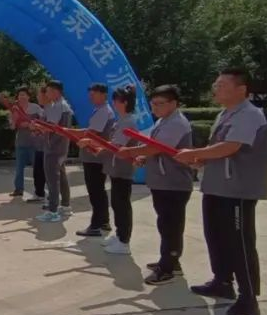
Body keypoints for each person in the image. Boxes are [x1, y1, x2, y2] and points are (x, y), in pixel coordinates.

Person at [175, 67, 267, 315]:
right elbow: (217, 150)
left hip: (237, 189)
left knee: (240, 243)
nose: (216, 89)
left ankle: (248, 298)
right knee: (216, 236)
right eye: (215, 84)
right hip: (216, 186)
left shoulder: (249, 114)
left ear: (242, 89)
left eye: (222, 85)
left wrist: (195, 153)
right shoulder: (225, 114)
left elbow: (230, 147)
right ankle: (222, 281)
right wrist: (202, 160)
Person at [126, 85, 194, 285]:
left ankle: (167, 268)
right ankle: (170, 261)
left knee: (171, 225)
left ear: (174, 103)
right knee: (165, 224)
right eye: (153, 104)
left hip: (173, 182)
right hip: (162, 181)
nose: (155, 108)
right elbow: (154, 148)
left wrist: (131, 152)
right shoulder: (163, 121)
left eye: (159, 104)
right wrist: (143, 157)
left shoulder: (177, 123)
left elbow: (156, 148)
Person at [81, 86, 137, 254]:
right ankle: (119, 235)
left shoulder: (128, 121)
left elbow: (116, 145)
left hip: (122, 168)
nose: (114, 103)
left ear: (124, 102)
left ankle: (124, 241)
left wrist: (92, 143)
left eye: (116, 100)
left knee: (121, 204)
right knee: (117, 203)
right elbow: (112, 144)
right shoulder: (122, 120)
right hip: (115, 167)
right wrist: (99, 148)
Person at [77, 83, 114, 237]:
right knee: (98, 190)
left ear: (104, 95)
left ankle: (96, 225)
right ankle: (104, 221)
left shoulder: (103, 111)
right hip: (94, 156)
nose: (90, 97)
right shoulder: (100, 110)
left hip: (95, 157)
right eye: (90, 94)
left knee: (95, 191)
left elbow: (91, 133)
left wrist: (70, 132)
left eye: (94, 94)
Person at [35, 80, 73, 223]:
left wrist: (39, 126)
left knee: (52, 180)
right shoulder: (62, 105)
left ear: (56, 91)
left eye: (48, 91)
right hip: (59, 147)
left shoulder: (58, 106)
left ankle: (53, 211)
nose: (46, 94)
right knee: (60, 177)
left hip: (54, 148)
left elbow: (53, 128)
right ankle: (65, 206)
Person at [8, 88, 41, 197]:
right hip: (21, 143)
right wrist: (14, 119)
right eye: (20, 95)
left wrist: (31, 124)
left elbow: (43, 121)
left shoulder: (35, 107)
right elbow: (12, 127)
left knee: (37, 168)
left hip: (34, 143)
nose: (22, 97)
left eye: (24, 94)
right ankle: (18, 189)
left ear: (28, 96)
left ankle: (39, 190)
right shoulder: (14, 109)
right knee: (19, 168)